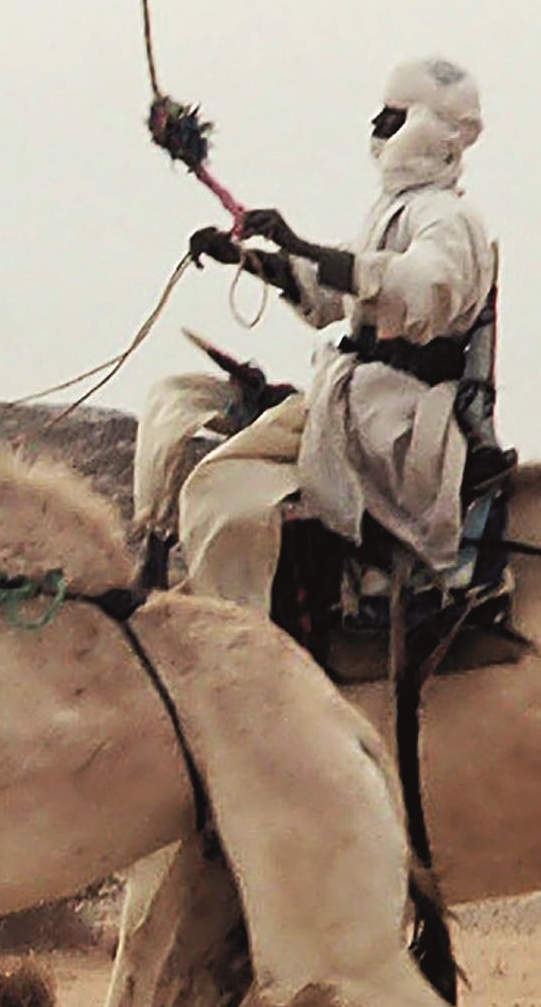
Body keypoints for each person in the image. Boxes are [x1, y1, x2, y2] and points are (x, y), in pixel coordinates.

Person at [173, 55, 499, 614]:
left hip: (396, 413)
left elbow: (418, 289)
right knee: (219, 470)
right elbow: (330, 293)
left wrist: (299, 245)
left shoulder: (447, 218)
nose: (376, 128)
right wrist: (245, 259)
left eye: (390, 116)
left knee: (227, 490)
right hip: (354, 397)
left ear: (424, 124)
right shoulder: (395, 211)